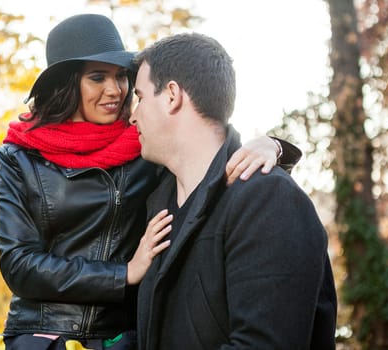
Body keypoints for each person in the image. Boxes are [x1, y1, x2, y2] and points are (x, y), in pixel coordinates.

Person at [0, 14, 301, 350]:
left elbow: (206, 155)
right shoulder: (20, 157)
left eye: (121, 76)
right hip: (44, 335)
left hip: (126, 336)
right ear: (66, 83)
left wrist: (276, 146)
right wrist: (125, 273)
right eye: (97, 78)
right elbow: (18, 264)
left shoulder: (147, 147)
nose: (116, 91)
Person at [130, 33, 337, 350]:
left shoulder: (268, 201)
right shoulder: (158, 207)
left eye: (140, 97)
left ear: (172, 95)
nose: (133, 115)